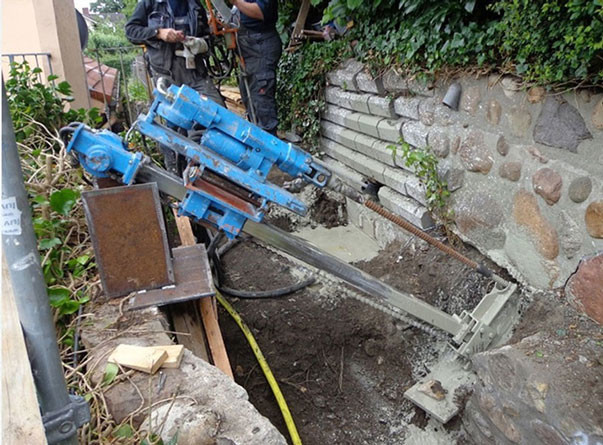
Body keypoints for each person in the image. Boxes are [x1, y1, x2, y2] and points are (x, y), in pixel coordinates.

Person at [125, 0, 225, 172]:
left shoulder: (194, 4)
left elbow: (207, 35)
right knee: (173, 125)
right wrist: (158, 33)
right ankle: (176, 176)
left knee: (218, 114)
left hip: (195, 71)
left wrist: (201, 44)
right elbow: (131, 31)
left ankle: (208, 171)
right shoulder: (150, 4)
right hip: (166, 74)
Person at [231, 0, 281, 135]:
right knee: (250, 99)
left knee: (261, 101)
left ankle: (270, 148)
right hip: (248, 48)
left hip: (260, 46)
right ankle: (259, 141)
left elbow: (261, 12)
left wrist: (235, 1)